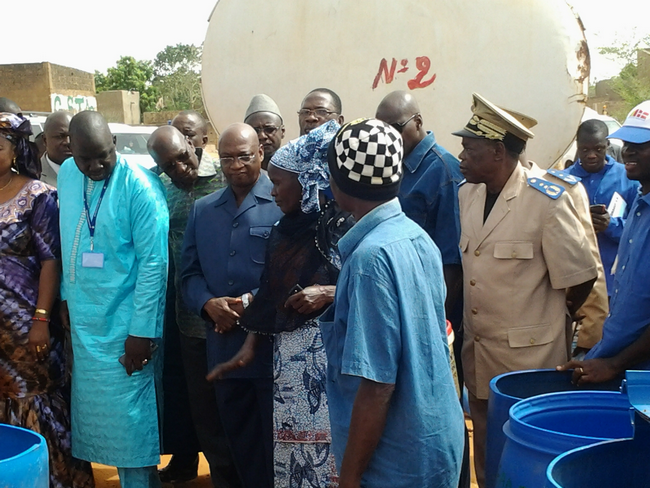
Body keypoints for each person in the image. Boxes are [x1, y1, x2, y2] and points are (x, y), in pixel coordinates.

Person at [453, 94, 598, 488]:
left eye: (470, 149)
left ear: (498, 151)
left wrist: (557, 316)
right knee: (485, 448)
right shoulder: (468, 194)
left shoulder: (547, 199)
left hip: (529, 357)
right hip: (480, 351)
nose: (461, 156)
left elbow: (582, 276)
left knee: (527, 455)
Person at [320, 118, 464, 488]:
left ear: (339, 183)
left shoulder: (370, 259)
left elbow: (377, 385)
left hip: (396, 456)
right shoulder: (417, 238)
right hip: (435, 437)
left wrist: (349, 476)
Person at [208, 120, 353, 487]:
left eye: (278, 183)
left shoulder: (339, 224)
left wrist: (328, 293)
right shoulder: (285, 228)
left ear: (306, 179)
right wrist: (249, 345)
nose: (272, 192)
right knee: (292, 455)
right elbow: (273, 292)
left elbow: (365, 283)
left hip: (329, 361)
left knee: (329, 453)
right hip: (287, 365)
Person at [58, 111, 169, 488]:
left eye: (104, 155)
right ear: (69, 151)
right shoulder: (68, 176)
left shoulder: (140, 187)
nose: (95, 165)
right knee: (100, 422)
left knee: (131, 423)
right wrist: (64, 302)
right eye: (85, 157)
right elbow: (67, 244)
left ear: (116, 146)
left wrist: (142, 332)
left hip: (126, 325)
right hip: (85, 324)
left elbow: (155, 264)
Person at [181, 123, 283, 488]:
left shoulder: (284, 199)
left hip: (273, 353)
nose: (236, 165)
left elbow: (293, 271)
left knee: (278, 450)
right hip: (223, 350)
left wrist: (247, 302)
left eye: (244, 156)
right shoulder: (203, 210)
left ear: (260, 154)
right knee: (238, 447)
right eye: (227, 158)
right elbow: (188, 275)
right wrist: (207, 303)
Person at [376, 90, 469, 488]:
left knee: (442, 405)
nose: (388, 137)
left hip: (434, 316)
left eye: (393, 129)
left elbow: (451, 260)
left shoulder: (443, 171)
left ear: (416, 122)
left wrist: (436, 321)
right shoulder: (396, 165)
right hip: (402, 309)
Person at [0, 112, 94, 488]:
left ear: (16, 149)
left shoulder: (38, 196)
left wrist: (41, 319)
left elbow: (51, 261)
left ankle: (55, 479)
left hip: (27, 326)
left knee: (35, 400)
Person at [147, 126, 239, 487]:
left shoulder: (224, 175)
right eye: (169, 166)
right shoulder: (162, 189)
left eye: (183, 158)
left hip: (233, 313)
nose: (181, 169)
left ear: (192, 143)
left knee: (236, 405)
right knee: (202, 410)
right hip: (189, 315)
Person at [558, 100, 650, 383]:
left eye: (641, 144)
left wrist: (614, 364)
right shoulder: (640, 205)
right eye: (626, 142)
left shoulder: (628, 186)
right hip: (618, 355)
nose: (628, 150)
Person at [504, 108, 609, 355]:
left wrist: (586, 340)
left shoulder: (560, 189)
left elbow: (589, 270)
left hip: (544, 341)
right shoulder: (474, 193)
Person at [566, 119, 639, 295]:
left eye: (598, 149)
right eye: (585, 149)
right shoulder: (562, 181)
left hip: (614, 281)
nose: (591, 155)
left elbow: (639, 231)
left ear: (607, 144)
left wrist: (610, 225)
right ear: (577, 146)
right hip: (572, 279)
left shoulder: (628, 177)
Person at [172, 110, 224, 183]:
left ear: (204, 141)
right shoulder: (164, 179)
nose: (181, 141)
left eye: (189, 135)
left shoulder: (224, 173)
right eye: (176, 136)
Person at [244, 94, 285, 171]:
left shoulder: (296, 170)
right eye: (255, 131)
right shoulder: (240, 172)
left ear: (282, 131)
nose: (262, 136)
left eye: (269, 129)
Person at [40, 111, 73, 187]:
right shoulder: (33, 177)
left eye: (72, 136)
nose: (68, 142)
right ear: (45, 140)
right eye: (60, 136)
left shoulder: (89, 173)